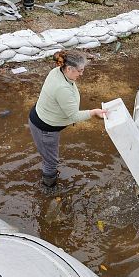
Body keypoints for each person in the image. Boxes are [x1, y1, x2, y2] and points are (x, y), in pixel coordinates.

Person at [28, 50, 106, 187]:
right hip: (45, 128)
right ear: (69, 68)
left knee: (48, 156)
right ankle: (48, 188)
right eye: (80, 71)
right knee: (51, 162)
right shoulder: (61, 88)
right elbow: (74, 116)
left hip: (43, 116)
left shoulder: (58, 72)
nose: (82, 74)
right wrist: (93, 112)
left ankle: (48, 174)